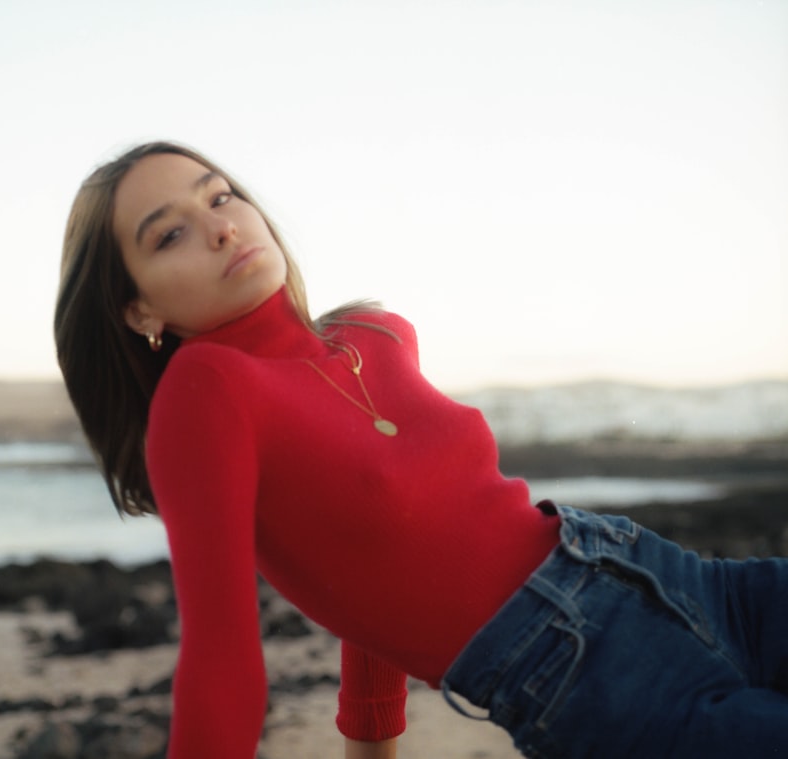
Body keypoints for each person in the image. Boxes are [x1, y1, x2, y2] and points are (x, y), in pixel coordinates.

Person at [53, 141, 788, 759]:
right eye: (168, 233)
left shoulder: (377, 335)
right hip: (580, 669)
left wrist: (373, 746)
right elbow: (221, 659)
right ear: (139, 307)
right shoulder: (207, 390)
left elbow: (373, 552)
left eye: (219, 198)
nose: (219, 228)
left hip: (664, 571)